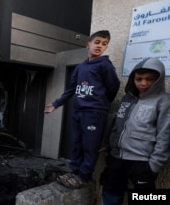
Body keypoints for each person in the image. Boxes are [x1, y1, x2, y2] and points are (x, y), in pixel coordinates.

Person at [44, 30, 120, 189]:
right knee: (77, 143)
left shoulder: (104, 65)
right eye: (97, 42)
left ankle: (84, 176)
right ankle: (75, 171)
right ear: (88, 45)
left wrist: (101, 103)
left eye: (104, 44)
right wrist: (56, 104)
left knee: (90, 146)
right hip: (78, 112)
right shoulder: (80, 67)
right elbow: (71, 89)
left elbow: (114, 87)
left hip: (94, 113)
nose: (100, 46)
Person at [100, 57, 170, 204]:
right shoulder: (128, 98)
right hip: (116, 158)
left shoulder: (164, 101)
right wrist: (108, 143)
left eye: (149, 79)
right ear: (133, 79)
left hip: (142, 162)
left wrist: (154, 165)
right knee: (110, 193)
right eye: (139, 79)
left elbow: (165, 134)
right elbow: (116, 122)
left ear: (158, 79)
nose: (143, 83)